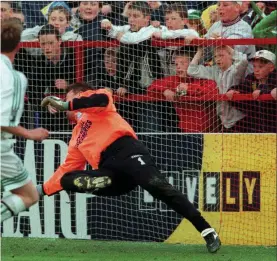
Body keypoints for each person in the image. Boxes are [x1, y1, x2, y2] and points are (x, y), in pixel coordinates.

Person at [37, 82, 221, 253]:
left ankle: (206, 230)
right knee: (68, 179)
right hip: (111, 173)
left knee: (158, 187)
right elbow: (66, 168)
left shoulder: (99, 101)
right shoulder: (76, 136)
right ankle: (101, 180)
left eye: (67, 97)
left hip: (128, 153)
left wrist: (66, 105)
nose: (63, 102)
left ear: (80, 94)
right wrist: (41, 190)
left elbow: (100, 99)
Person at [0, 18, 49, 223]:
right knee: (29, 195)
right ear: (19, 46)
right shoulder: (14, 77)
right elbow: (3, 121)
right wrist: (30, 133)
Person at [148, 49, 218, 133]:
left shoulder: (204, 78)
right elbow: (151, 87)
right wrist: (165, 90)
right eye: (176, 64)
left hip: (211, 132)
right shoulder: (174, 80)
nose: (178, 66)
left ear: (193, 64)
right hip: (185, 132)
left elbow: (212, 89)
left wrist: (188, 88)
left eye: (182, 63)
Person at [187, 46, 250, 132]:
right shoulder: (215, 71)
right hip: (224, 120)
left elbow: (243, 61)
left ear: (231, 56)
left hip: (240, 119)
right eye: (216, 56)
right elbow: (191, 70)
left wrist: (226, 46)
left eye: (221, 55)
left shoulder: (236, 70)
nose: (218, 59)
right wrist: (200, 51)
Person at [229, 50, 277, 133]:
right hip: (255, 121)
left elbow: (272, 88)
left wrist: (262, 89)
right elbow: (242, 88)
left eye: (260, 67)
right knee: (236, 129)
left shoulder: (275, 77)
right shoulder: (251, 77)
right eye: (254, 66)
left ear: (271, 68)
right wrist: (233, 90)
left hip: (272, 122)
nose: (256, 70)